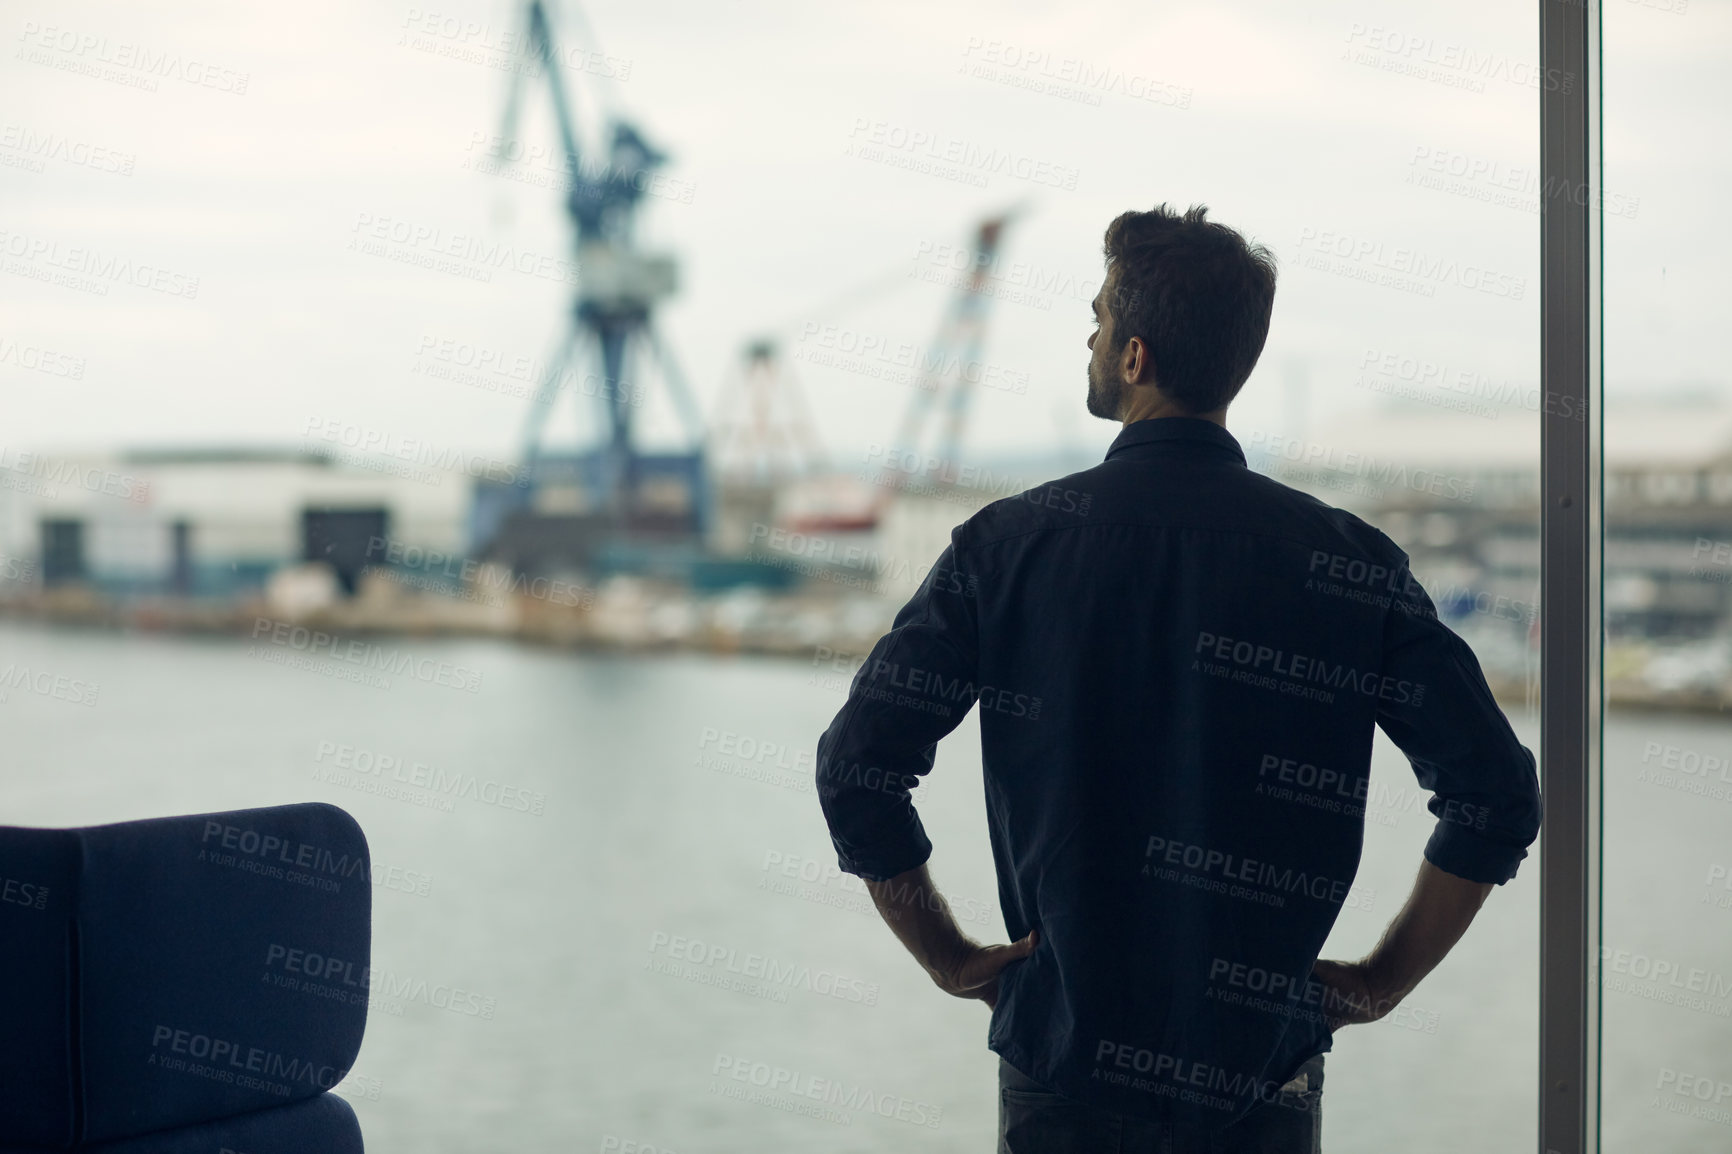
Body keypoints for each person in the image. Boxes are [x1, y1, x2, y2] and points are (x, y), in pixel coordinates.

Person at [813, 202, 1542, 1153]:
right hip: (1262, 1077)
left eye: (1100, 313)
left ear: (1133, 356)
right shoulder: (1347, 560)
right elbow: (1493, 794)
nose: (1090, 332)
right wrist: (1378, 981)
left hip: (1062, 1065)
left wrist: (950, 958)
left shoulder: (1007, 549)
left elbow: (857, 769)